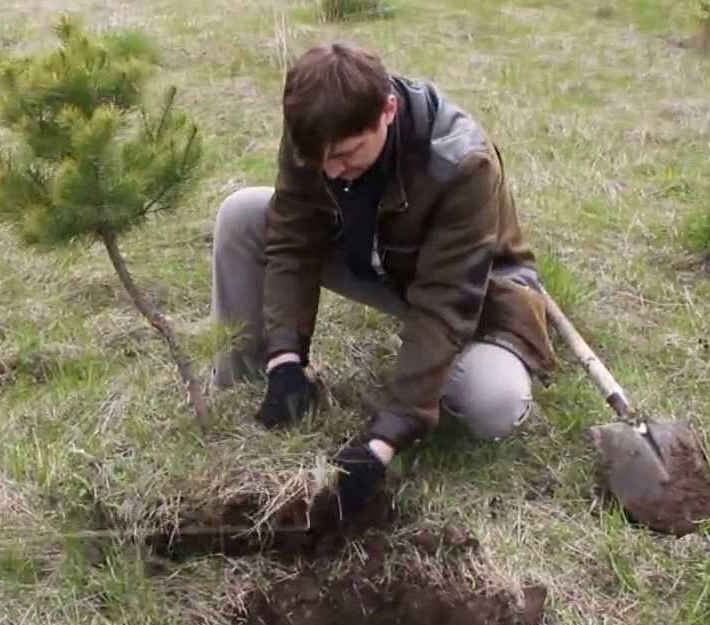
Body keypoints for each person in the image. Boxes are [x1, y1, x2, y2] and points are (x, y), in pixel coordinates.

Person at [209, 42, 557, 526]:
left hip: (471, 288)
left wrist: (385, 438)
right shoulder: (316, 137)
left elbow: (442, 304)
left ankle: (471, 367)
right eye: (320, 162)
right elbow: (291, 240)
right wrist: (285, 357)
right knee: (244, 213)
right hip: (377, 260)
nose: (332, 171)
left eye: (348, 156)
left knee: (492, 402)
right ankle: (250, 378)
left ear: (388, 111)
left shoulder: (461, 164)